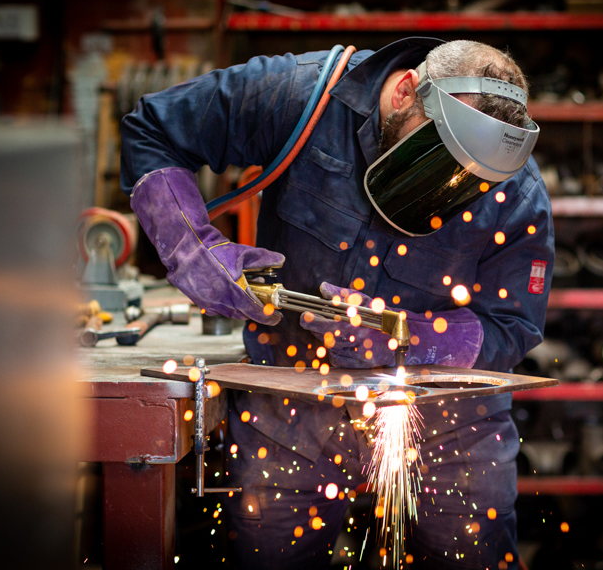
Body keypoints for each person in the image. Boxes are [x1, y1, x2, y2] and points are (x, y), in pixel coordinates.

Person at [121, 37, 554, 570]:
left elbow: (512, 327)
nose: (449, 189)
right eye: (436, 162)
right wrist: (191, 247)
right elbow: (154, 128)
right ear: (403, 93)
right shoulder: (304, 96)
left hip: (448, 428)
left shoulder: (519, 192)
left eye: (471, 184)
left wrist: (409, 338)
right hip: (291, 411)